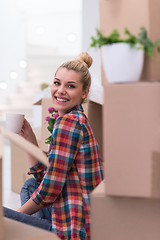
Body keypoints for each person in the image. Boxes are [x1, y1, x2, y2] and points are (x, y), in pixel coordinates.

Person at [4, 52, 103, 240]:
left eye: (70, 86)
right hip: (75, 215)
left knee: (4, 216)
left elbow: (49, 191)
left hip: (71, 229)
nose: (60, 90)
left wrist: (14, 219)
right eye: (57, 83)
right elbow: (45, 177)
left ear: (85, 92)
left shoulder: (69, 124)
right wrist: (30, 140)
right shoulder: (75, 118)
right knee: (31, 185)